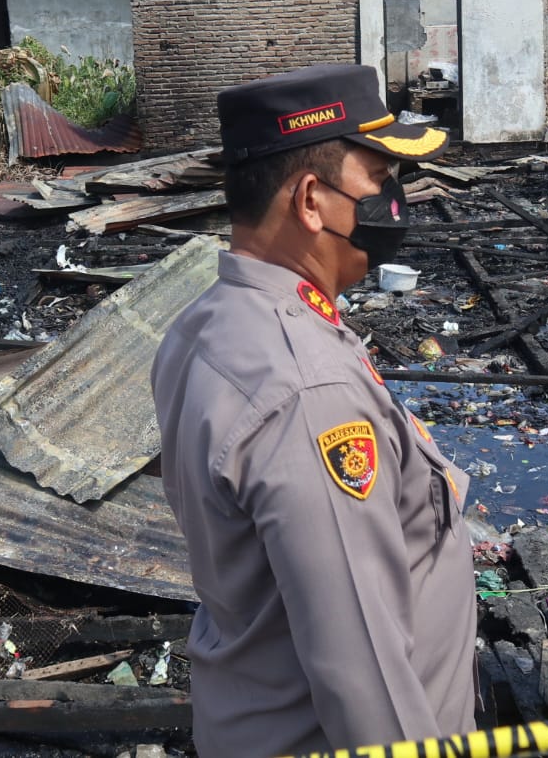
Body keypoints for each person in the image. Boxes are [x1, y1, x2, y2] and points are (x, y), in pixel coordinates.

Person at [152, 64, 475, 757]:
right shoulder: (308, 393)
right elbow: (362, 668)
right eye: (379, 181)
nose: (394, 202)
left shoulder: (207, 323)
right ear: (310, 201)